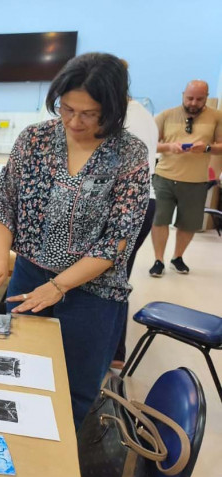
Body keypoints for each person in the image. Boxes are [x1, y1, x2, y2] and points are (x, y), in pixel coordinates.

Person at [0, 53, 150, 428]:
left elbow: (116, 240)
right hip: (30, 278)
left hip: (93, 291)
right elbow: (6, 203)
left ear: (113, 109)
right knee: (16, 372)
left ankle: (55, 458)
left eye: (89, 114)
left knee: (72, 392)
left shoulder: (129, 154)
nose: (74, 121)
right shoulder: (35, 140)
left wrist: (59, 286)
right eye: (67, 109)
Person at [109, 81, 160, 368]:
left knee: (112, 277)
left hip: (130, 203)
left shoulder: (123, 115)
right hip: (144, 201)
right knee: (118, 275)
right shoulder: (144, 113)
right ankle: (115, 351)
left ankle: (114, 352)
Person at [148, 80, 222, 276]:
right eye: (190, 98)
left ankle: (177, 257)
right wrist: (169, 147)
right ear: (183, 95)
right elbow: (150, 143)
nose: (193, 103)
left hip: (196, 181)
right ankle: (158, 260)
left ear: (206, 98)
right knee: (159, 220)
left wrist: (207, 148)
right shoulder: (166, 115)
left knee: (188, 223)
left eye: (199, 99)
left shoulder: (217, 117)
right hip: (164, 177)